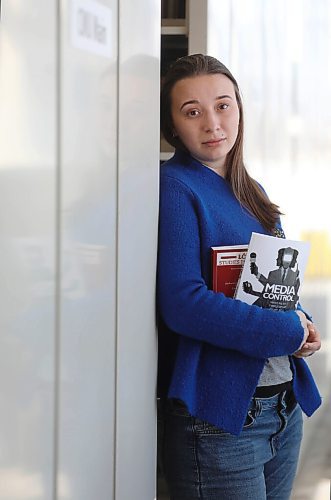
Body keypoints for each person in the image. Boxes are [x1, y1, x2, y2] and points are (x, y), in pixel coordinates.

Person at [157, 54, 322, 500]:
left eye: (223, 105)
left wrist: (301, 323)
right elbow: (182, 303)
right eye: (192, 111)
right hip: (222, 420)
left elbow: (273, 287)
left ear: (239, 110)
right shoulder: (174, 187)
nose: (212, 123)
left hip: (281, 406)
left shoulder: (252, 189)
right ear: (172, 125)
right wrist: (284, 329)